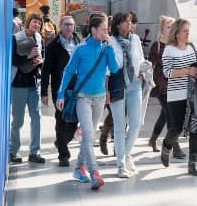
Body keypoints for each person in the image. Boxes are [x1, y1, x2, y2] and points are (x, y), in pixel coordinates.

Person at [56, 13, 118, 189]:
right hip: (82, 97)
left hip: (99, 99)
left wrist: (111, 48)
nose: (107, 32)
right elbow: (68, 72)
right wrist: (61, 94)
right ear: (93, 30)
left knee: (87, 137)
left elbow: (113, 69)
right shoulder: (81, 49)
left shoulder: (106, 48)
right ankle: (94, 173)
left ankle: (78, 169)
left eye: (108, 30)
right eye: (104, 29)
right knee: (89, 136)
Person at [158, 18, 197, 175]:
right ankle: (166, 146)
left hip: (193, 95)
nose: (187, 34)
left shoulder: (192, 47)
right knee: (177, 127)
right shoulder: (169, 50)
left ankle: (193, 164)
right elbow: (167, 73)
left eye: (188, 31)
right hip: (176, 95)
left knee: (195, 128)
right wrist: (187, 71)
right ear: (177, 33)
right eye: (185, 31)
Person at [41, 14, 83, 167]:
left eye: (71, 24)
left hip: (77, 88)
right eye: (66, 24)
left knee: (75, 120)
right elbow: (46, 71)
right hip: (60, 89)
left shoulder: (79, 43)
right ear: (60, 26)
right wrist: (44, 93)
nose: (69, 27)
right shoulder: (53, 46)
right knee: (61, 119)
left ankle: (61, 141)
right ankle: (63, 155)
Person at [108, 12, 145, 178]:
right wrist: (106, 90)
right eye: (125, 22)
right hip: (117, 84)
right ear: (117, 25)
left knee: (136, 123)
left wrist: (142, 72)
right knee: (119, 126)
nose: (129, 24)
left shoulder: (135, 39)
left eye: (130, 22)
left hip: (135, 84)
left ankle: (126, 154)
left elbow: (141, 58)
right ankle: (121, 164)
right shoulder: (111, 41)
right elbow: (108, 68)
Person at [10, 13, 46, 164]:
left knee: (36, 118)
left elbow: (43, 59)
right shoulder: (16, 38)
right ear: (28, 22)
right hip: (19, 83)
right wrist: (28, 56)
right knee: (18, 120)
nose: (36, 25)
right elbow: (12, 59)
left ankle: (34, 152)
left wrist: (40, 60)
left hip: (34, 83)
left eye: (39, 23)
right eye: (34, 22)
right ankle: (13, 151)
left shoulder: (40, 39)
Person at [145, 17, 178, 156]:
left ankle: (153, 139)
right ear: (163, 29)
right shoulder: (156, 46)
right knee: (171, 116)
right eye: (169, 27)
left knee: (165, 115)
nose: (172, 30)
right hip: (161, 86)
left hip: (172, 83)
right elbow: (150, 65)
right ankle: (175, 147)